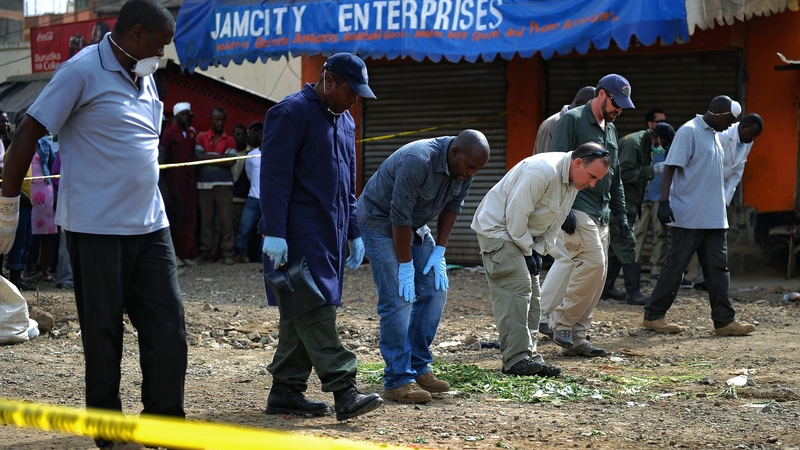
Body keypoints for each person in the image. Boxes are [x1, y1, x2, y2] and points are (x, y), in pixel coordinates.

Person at [0, 2, 187, 449]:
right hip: (96, 228)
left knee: (169, 329)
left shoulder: (146, 75)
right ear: (136, 33)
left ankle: (165, 426)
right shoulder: (80, 71)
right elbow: (28, 132)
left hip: (150, 225)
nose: (161, 54)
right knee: (103, 334)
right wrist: (7, 208)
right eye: (158, 45)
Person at [259, 52, 383, 421]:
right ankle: (344, 389)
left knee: (300, 310)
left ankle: (286, 390)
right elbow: (274, 178)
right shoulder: (289, 113)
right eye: (350, 91)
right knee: (315, 308)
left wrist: (354, 232)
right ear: (329, 80)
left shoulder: (345, 122)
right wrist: (275, 231)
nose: (354, 101)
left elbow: (349, 184)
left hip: (331, 232)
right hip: (296, 235)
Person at [358, 130, 490, 403]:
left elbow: (454, 206)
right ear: (454, 153)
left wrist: (439, 251)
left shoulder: (465, 167)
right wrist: (406, 266)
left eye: (477, 170)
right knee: (399, 298)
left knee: (435, 290)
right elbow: (399, 215)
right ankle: (397, 379)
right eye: (469, 167)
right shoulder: (418, 160)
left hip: (414, 225)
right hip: (379, 221)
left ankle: (417, 366)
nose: (470, 175)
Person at [472, 142, 610, 376]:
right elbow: (515, 216)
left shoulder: (573, 180)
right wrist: (528, 250)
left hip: (521, 235)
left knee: (534, 296)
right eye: (591, 176)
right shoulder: (543, 171)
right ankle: (515, 361)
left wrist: (538, 250)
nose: (592, 184)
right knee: (518, 290)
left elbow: (555, 221)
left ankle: (530, 356)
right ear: (578, 162)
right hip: (499, 230)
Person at [642, 96, 756, 337]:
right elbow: (670, 167)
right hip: (689, 215)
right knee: (676, 267)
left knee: (718, 270)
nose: (730, 125)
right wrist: (665, 202)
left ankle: (724, 321)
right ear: (716, 111)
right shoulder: (689, 132)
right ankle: (654, 316)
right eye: (728, 119)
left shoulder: (714, 134)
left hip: (714, 217)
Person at [538, 74, 633, 358]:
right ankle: (562, 323)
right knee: (593, 263)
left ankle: (578, 337)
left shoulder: (612, 129)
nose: (619, 111)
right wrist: (562, 208)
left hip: (602, 210)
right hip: (578, 205)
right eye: (616, 103)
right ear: (602, 94)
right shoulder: (573, 120)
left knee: (599, 274)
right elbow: (557, 164)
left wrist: (622, 214)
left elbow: (614, 177)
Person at [602, 122, 675, 305]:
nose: (662, 149)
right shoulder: (633, 143)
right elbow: (622, 174)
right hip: (619, 205)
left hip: (631, 204)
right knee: (628, 243)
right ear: (655, 136)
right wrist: (652, 170)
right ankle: (633, 293)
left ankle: (606, 288)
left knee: (615, 248)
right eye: (663, 144)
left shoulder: (645, 144)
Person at [689, 112, 763, 292]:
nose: (752, 138)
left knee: (712, 237)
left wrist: (723, 201)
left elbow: (737, 172)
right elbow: (704, 163)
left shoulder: (747, 142)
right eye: (751, 134)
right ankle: (683, 277)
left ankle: (703, 280)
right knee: (692, 237)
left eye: (755, 136)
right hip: (700, 190)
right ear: (743, 126)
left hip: (718, 196)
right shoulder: (722, 135)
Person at [195, 107, 237, 265]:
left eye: (222, 120)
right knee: (206, 221)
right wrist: (220, 157)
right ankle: (206, 252)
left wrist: (209, 157)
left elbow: (231, 161)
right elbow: (198, 158)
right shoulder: (201, 137)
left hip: (224, 185)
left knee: (226, 220)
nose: (219, 123)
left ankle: (228, 253)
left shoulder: (230, 139)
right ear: (211, 120)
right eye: (216, 119)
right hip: (204, 185)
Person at [160, 101, 198, 266]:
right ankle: (174, 254)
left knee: (189, 217)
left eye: (187, 115)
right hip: (174, 181)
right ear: (176, 116)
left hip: (189, 181)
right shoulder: (169, 134)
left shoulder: (190, 134)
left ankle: (186, 254)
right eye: (182, 115)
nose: (185, 117)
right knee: (175, 218)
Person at [635, 110, 671, 281]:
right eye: (658, 121)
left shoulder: (664, 143)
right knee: (637, 233)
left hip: (659, 195)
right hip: (642, 196)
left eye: (664, 121)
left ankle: (656, 268)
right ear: (649, 124)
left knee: (660, 234)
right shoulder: (643, 142)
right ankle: (631, 268)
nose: (661, 124)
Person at [533, 86, 595, 155]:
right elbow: (544, 158)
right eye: (589, 109)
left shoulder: (584, 124)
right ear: (578, 103)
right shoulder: (552, 123)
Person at [233, 121, 263, 263]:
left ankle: (262, 257)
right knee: (244, 227)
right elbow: (249, 174)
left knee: (266, 230)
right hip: (253, 197)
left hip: (268, 200)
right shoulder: (252, 154)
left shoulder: (274, 154)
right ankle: (239, 253)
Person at [230, 123, 250, 245]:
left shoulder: (252, 153)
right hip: (232, 198)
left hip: (246, 198)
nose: (241, 137)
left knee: (245, 229)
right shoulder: (228, 153)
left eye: (243, 135)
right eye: (238, 134)